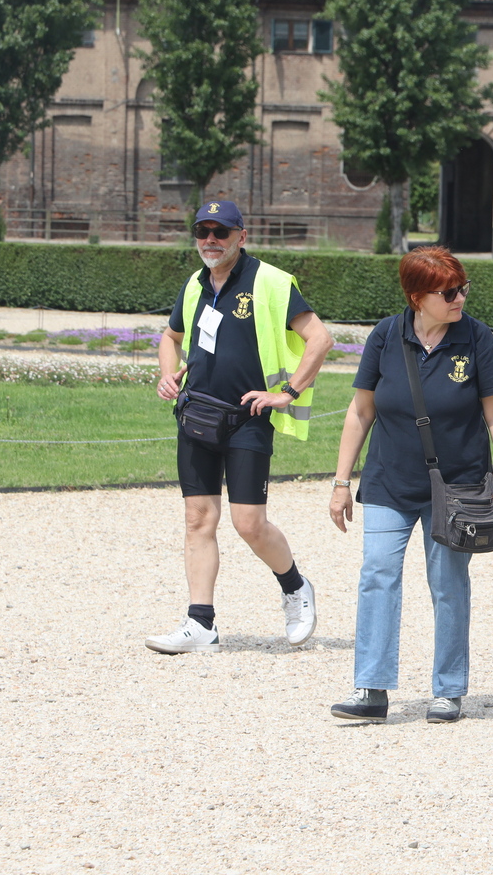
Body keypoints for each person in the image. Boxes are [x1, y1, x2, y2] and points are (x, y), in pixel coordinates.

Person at [327, 247, 493, 725]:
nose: (460, 299)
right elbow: (361, 410)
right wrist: (341, 481)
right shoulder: (385, 335)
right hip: (389, 479)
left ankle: (448, 690)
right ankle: (371, 688)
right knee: (377, 575)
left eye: (462, 289)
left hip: (457, 487)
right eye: (448, 293)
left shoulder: (476, 338)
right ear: (417, 297)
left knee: (448, 584)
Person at [148, 200, 333, 653]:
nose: (210, 240)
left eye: (221, 232)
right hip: (197, 415)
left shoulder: (270, 281)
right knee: (197, 519)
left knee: (249, 523)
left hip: (247, 419)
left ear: (241, 237)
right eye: (203, 231)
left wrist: (287, 392)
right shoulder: (194, 285)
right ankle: (201, 625)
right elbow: (171, 336)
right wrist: (168, 373)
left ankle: (295, 587)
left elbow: (320, 338)